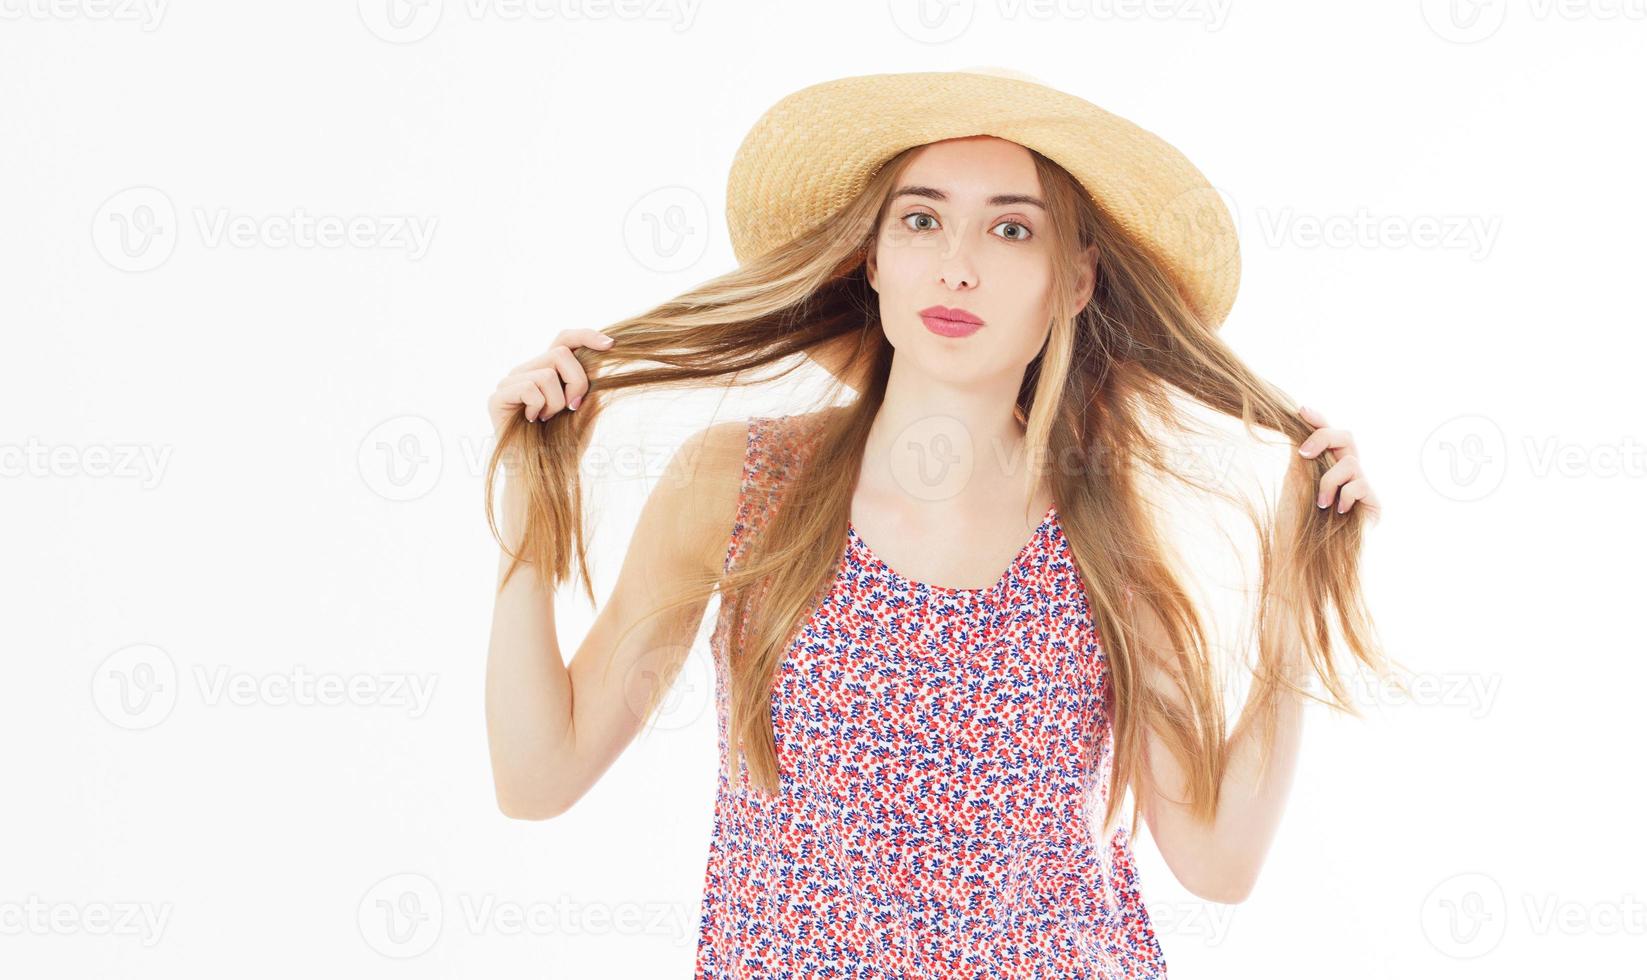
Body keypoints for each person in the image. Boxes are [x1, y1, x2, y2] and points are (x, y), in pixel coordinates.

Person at [481, 67, 1395, 977]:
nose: (958, 263)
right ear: (872, 259)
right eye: (921, 219)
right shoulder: (740, 487)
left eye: (1010, 227)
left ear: (1073, 280)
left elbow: (1218, 862)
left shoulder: (1108, 539)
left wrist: (1294, 593)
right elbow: (537, 777)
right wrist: (531, 513)